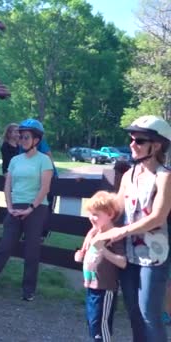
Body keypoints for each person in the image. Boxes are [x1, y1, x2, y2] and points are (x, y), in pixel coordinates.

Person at [91, 115, 171, 342]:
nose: (132, 144)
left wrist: (120, 232)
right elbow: (116, 210)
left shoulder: (165, 177)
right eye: (132, 139)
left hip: (154, 256)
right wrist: (97, 221)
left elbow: (158, 217)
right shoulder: (129, 174)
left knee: (149, 315)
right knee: (134, 313)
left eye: (139, 140)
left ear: (156, 145)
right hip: (128, 255)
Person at [0, 118, 53, 307]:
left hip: (37, 208)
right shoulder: (15, 160)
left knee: (31, 250)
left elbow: (45, 188)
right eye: (20, 137)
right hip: (15, 207)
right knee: (4, 248)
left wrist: (30, 208)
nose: (22, 140)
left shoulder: (44, 160)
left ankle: (28, 290)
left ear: (36, 139)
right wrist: (9, 207)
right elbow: (8, 186)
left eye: (26, 137)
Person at [74, 191, 127, 342]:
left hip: (105, 289)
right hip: (92, 287)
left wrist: (103, 250)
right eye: (90, 213)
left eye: (96, 214)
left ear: (110, 214)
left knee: (101, 327)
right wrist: (80, 256)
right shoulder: (95, 233)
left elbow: (122, 262)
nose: (92, 217)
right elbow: (89, 254)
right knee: (93, 324)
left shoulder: (114, 236)